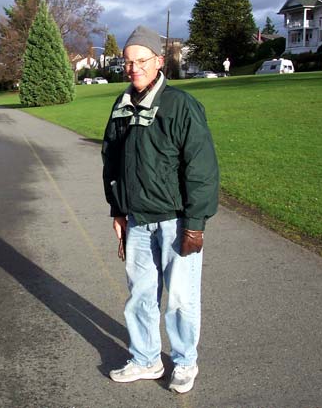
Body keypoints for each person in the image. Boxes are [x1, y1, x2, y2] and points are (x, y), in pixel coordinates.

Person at [101, 25, 219, 394]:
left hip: (176, 221)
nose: (134, 68)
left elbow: (202, 169)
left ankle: (184, 362)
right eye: (128, 62)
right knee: (140, 296)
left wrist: (195, 225)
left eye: (142, 61)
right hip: (137, 221)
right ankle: (146, 359)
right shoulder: (121, 106)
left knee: (181, 299)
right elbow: (112, 162)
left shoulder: (181, 105)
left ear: (158, 61)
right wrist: (118, 212)